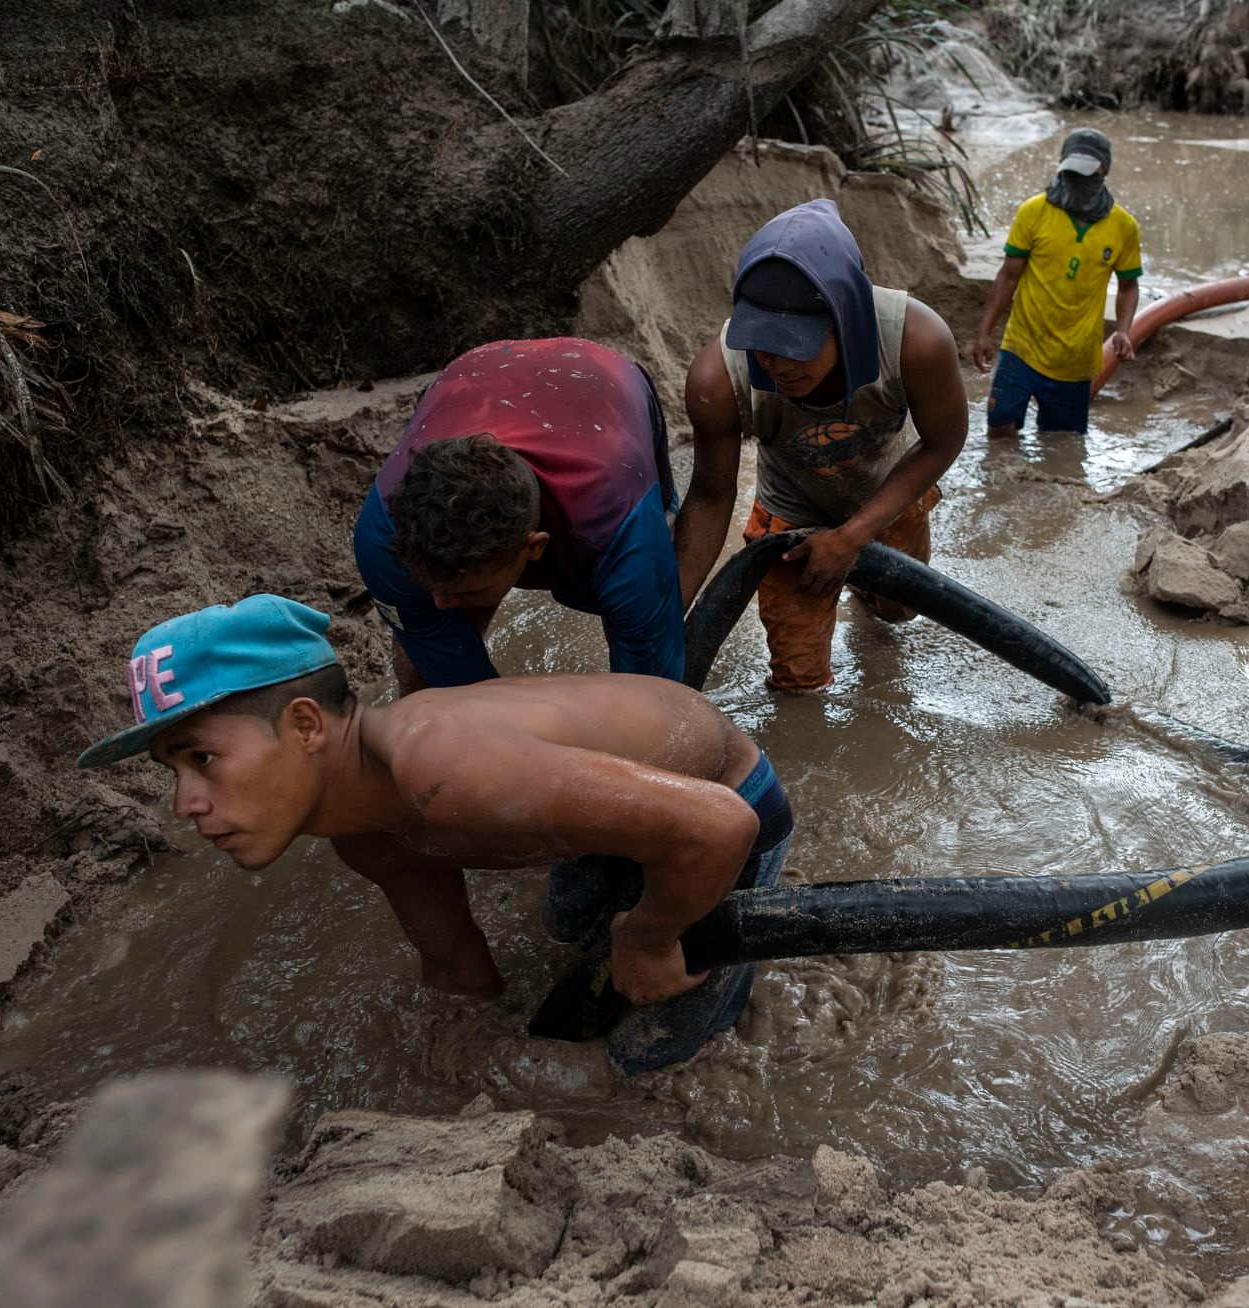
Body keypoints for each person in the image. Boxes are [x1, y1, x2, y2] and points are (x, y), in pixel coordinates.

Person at [75, 594, 792, 1076]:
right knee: (568, 927)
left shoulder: (442, 769)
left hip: (725, 795)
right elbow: (457, 973)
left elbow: (718, 824)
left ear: (304, 725)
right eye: (173, 770)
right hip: (620, 815)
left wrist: (647, 937)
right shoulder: (367, 837)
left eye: (202, 758)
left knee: (641, 1058)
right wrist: (451, 1073)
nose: (184, 805)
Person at [672, 199, 968, 692]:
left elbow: (944, 440)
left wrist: (852, 538)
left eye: (795, 345)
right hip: (791, 510)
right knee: (797, 676)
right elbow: (709, 495)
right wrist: (664, 624)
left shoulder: (915, 341)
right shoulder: (718, 378)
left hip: (889, 490)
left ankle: (864, 588)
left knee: (898, 613)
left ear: (846, 321)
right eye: (762, 344)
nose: (777, 365)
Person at [353, 338, 684, 692]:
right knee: (428, 679)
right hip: (477, 371)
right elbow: (463, 691)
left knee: (641, 628)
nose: (440, 602)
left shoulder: (624, 529)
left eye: (466, 590)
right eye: (432, 586)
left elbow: (654, 702)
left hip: (605, 378)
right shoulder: (381, 537)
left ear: (535, 547)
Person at [971, 128, 1144, 439]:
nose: (1075, 182)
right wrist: (985, 332)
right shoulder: (1033, 212)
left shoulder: (1123, 227)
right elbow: (1008, 276)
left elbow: (1129, 285)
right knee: (999, 429)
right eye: (1071, 173)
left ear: (1103, 172)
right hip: (1022, 346)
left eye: (1085, 175)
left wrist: (1123, 329)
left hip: (1075, 358)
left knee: (1061, 442)